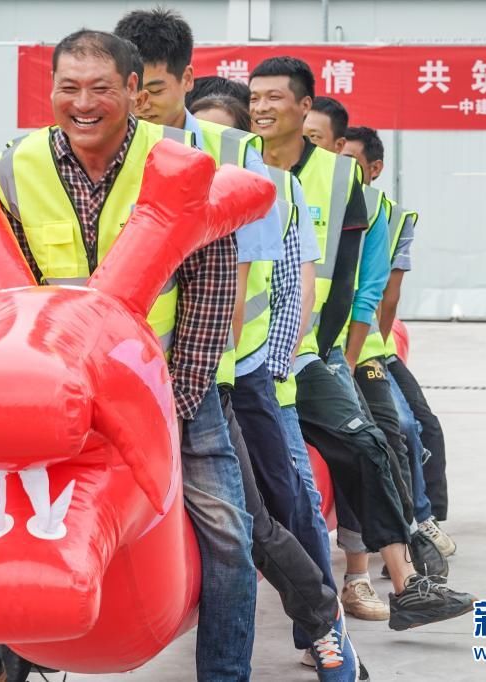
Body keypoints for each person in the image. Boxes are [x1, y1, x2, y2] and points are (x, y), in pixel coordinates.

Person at [0, 30, 257, 682]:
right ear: (49, 90)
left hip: (160, 384)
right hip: (45, 394)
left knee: (225, 531)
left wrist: (181, 396)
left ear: (133, 91)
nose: (83, 103)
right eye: (68, 88)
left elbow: (213, 283)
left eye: (100, 89)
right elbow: (6, 293)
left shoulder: (177, 159)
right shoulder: (14, 166)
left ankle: (225, 674)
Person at [115, 9, 343, 668]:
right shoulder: (109, 149)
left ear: (184, 80)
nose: (136, 101)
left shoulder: (239, 164)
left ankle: (319, 624)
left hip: (226, 373)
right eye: (127, 85)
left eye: (152, 87)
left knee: (272, 502)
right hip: (125, 374)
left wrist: (265, 366)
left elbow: (259, 285)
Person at [250, 56, 475, 631]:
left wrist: (330, 356)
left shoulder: (337, 176)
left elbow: (349, 279)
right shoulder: (234, 162)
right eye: (255, 97)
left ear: (305, 107)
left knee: (373, 440)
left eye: (276, 97)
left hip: (308, 351)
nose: (262, 108)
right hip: (244, 353)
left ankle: (405, 583)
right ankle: (336, 598)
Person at [190, 93, 368, 682]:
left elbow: (294, 286)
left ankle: (322, 628)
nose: (210, 150)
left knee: (280, 507)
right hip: (167, 376)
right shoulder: (169, 182)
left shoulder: (271, 190)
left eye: (223, 138)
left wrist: (280, 365)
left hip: (247, 375)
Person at [342, 125, 454, 555]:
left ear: (374, 169)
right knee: (396, 428)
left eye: (350, 162)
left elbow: (387, 296)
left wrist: (381, 350)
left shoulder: (389, 215)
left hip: (370, 344)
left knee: (420, 425)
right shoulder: (317, 202)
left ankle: (425, 517)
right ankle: (412, 523)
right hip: (333, 344)